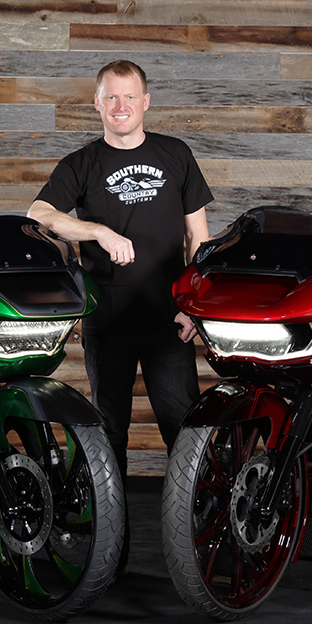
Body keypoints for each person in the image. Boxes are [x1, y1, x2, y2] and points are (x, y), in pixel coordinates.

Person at [27, 60, 213, 484]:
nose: (121, 105)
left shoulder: (176, 154)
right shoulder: (82, 163)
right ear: (97, 103)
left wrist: (194, 306)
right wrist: (97, 231)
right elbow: (39, 213)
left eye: (130, 96)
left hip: (169, 319)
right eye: (111, 96)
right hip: (107, 320)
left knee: (183, 428)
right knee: (108, 432)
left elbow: (199, 240)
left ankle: (198, 527)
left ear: (145, 102)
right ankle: (109, 536)